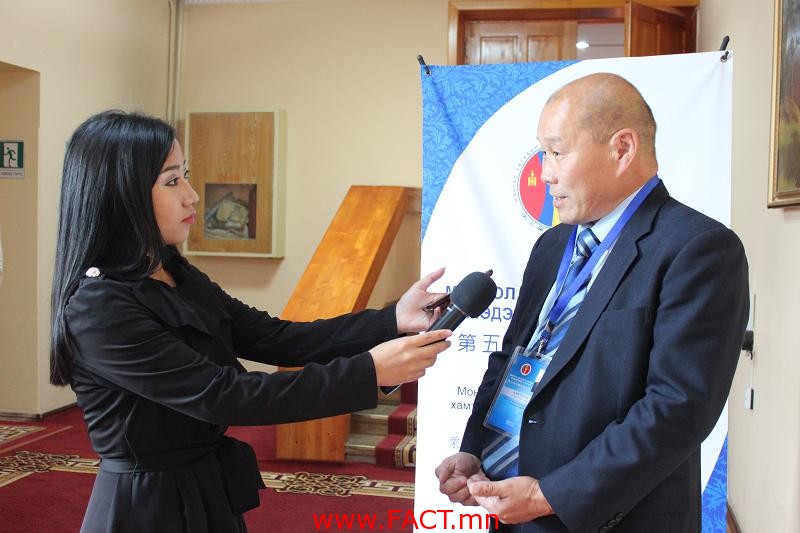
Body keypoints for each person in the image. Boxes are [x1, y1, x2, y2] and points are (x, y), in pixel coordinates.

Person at [50, 110, 452, 533]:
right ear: (121, 194)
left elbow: (277, 337)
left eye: (185, 176)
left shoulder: (174, 271)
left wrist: (392, 320)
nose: (192, 196)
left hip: (207, 488)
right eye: (171, 182)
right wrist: (368, 372)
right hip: (145, 507)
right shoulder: (99, 305)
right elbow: (224, 395)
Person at [435, 73, 749, 532]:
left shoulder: (698, 249)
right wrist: (476, 450)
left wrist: (549, 495)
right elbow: (513, 359)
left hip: (610, 519)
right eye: (543, 154)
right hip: (511, 504)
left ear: (622, 148)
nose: (545, 173)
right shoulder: (551, 246)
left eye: (557, 152)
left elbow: (677, 408)